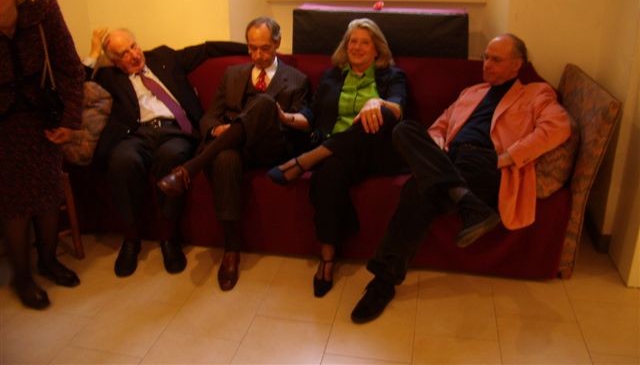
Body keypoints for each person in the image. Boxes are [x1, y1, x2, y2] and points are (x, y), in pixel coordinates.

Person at [349, 33, 572, 324]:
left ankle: (382, 284)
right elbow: (439, 127)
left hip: (488, 164)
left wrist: (508, 157)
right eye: (485, 57)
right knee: (404, 131)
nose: (486, 64)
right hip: (449, 159)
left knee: (419, 188)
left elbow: (558, 127)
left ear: (517, 65)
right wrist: (435, 149)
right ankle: (467, 202)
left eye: (496, 60)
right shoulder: (472, 92)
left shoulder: (536, 93)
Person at [157, 17, 310, 291]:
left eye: (264, 48)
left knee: (264, 102)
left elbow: (300, 128)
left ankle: (189, 169)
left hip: (269, 147)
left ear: (277, 43)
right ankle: (231, 251)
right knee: (225, 158)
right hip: (231, 148)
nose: (257, 55)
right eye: (252, 48)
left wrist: (276, 117)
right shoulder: (232, 74)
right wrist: (217, 130)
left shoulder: (298, 80)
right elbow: (209, 116)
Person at [86, 27, 246, 278]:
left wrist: (251, 49)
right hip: (135, 134)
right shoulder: (109, 76)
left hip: (175, 131)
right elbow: (75, 86)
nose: (134, 55)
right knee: (122, 161)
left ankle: (168, 239)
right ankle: (131, 239)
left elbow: (207, 49)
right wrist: (94, 54)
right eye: (124, 54)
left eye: (133, 46)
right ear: (115, 62)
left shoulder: (163, 57)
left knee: (171, 157)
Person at [267, 18, 407, 298]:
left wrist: (376, 101)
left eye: (364, 42)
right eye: (352, 41)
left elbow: (398, 109)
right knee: (328, 172)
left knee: (380, 116)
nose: (357, 47)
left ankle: (308, 160)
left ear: (377, 49)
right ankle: (327, 257)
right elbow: (312, 115)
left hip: (376, 151)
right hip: (340, 154)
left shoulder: (392, 76)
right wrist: (286, 118)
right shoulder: (332, 76)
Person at [0, 0, 85, 309]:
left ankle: (48, 261)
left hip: (43, 119)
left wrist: (70, 120)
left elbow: (70, 67)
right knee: (15, 204)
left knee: (48, 193)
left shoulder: (43, 11)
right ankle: (23, 276)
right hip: (3, 128)